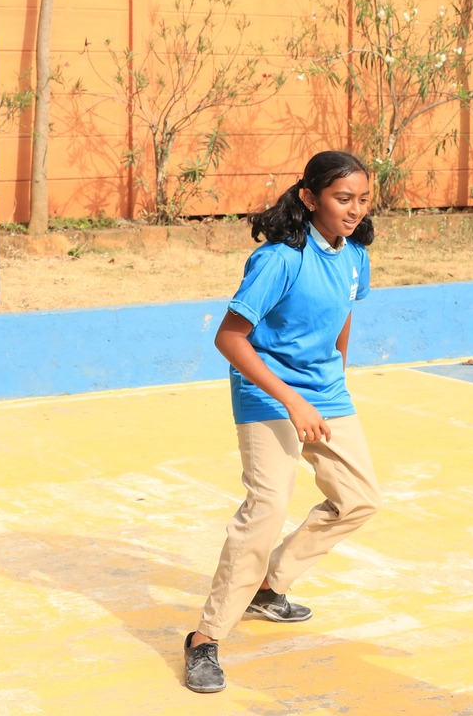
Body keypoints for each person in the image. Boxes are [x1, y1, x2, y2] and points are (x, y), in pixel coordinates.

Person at [183, 150, 382, 694]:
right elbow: (229, 338)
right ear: (309, 197)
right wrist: (293, 401)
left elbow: (342, 317)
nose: (355, 210)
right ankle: (205, 639)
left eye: (363, 200)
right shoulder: (279, 260)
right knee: (265, 509)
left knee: (359, 498)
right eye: (344, 199)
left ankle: (268, 586)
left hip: (325, 393)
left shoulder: (355, 255)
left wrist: (333, 380)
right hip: (268, 392)